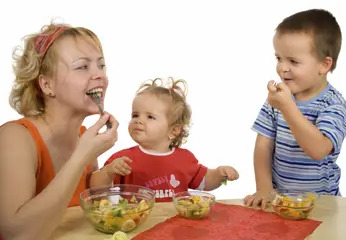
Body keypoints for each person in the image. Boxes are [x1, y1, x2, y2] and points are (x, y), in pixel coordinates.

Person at [0, 22, 118, 240]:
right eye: (82, 67)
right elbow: (16, 235)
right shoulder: (15, 138)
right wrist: (82, 156)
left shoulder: (84, 137)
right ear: (47, 85)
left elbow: (91, 216)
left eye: (101, 66)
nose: (99, 75)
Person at [244, 9, 346, 209]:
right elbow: (263, 146)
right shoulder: (277, 100)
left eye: (293, 61)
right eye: (279, 58)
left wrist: (289, 108)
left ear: (324, 65)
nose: (282, 68)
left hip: (322, 205)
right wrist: (264, 188)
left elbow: (318, 150)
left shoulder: (333, 104)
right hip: (281, 203)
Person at [90, 78, 239, 202]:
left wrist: (219, 174)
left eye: (150, 117)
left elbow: (205, 182)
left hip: (176, 228)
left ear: (173, 130)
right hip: (138, 227)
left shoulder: (185, 159)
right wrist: (108, 172)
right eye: (135, 115)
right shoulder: (123, 159)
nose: (138, 121)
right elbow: (95, 190)